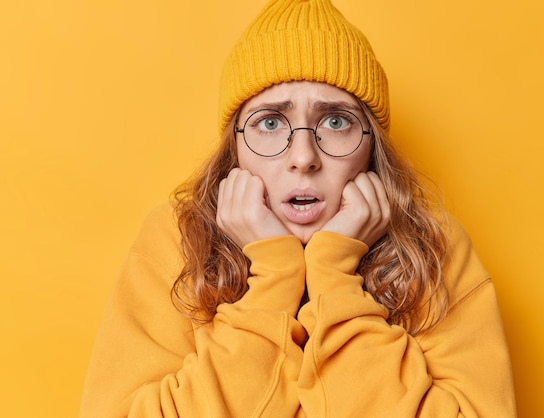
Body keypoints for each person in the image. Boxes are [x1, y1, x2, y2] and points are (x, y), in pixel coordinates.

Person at [79, 0, 516, 416]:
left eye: (336, 121)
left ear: (373, 148)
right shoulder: (175, 239)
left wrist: (335, 274)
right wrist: (274, 278)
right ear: (234, 148)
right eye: (270, 122)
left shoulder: (434, 246)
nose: (303, 156)